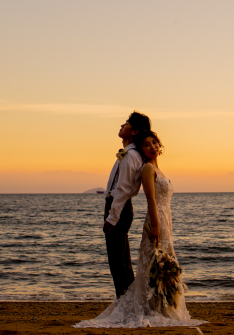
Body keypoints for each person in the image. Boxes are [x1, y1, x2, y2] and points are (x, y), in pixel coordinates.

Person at [76, 130, 204, 329]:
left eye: (154, 143)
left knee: (161, 262)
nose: (152, 147)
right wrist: (155, 225)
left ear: (159, 146)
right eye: (146, 144)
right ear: (142, 149)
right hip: (156, 219)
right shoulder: (147, 169)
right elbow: (150, 200)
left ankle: (162, 306)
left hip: (165, 219)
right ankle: (145, 306)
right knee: (152, 263)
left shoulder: (158, 169)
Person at [102, 111, 150, 298]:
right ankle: (128, 301)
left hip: (118, 207)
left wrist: (112, 218)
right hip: (120, 206)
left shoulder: (131, 156)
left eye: (127, 123)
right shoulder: (129, 154)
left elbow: (122, 190)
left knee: (117, 261)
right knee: (122, 259)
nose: (122, 125)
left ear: (135, 131)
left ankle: (125, 303)